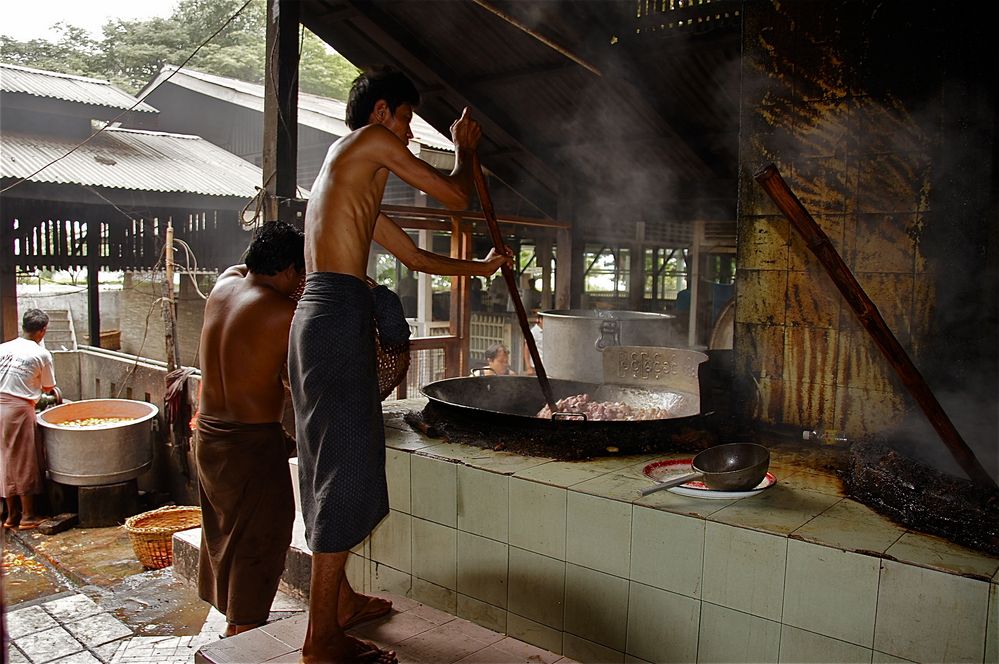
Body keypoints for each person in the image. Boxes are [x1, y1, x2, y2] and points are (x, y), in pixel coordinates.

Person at [289, 66, 510, 664]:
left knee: (325, 460)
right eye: (408, 121)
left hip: (316, 316)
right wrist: (464, 150)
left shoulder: (347, 179)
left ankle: (340, 603)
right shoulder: (367, 140)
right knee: (347, 464)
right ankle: (322, 639)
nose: (410, 136)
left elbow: (414, 257)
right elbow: (458, 196)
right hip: (335, 315)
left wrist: (482, 269)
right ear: (383, 111)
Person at [195, 221, 308, 638]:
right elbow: (301, 381)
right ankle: (241, 633)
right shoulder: (283, 313)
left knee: (227, 530)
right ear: (290, 271)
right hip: (249, 441)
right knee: (262, 535)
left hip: (207, 434)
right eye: (301, 273)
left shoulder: (225, 284)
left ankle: (234, 620)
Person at [0, 309, 56, 531]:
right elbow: (49, 387)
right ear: (42, 331)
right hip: (18, 409)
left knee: (5, 459)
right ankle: (28, 516)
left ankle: (11, 516)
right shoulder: (40, 354)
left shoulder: (3, 348)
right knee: (24, 459)